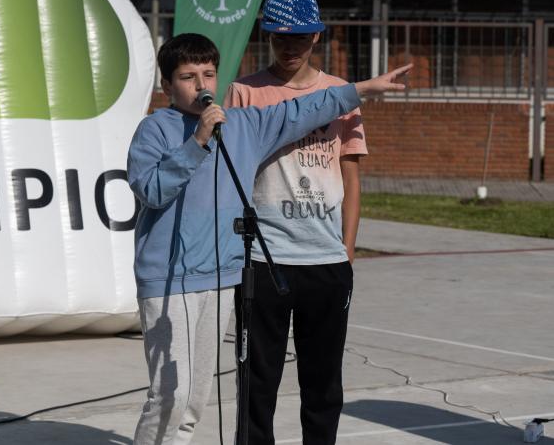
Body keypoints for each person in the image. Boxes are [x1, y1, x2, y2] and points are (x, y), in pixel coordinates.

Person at [126, 33, 410, 444]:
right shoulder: (154, 129)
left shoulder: (244, 126)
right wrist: (198, 142)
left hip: (222, 277)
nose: (201, 85)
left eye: (208, 74)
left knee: (195, 401)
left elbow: (302, 109)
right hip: (171, 281)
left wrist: (361, 90)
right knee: (172, 392)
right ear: (167, 86)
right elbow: (151, 189)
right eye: (188, 77)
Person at [223, 0, 367, 445]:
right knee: (257, 384)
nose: (290, 47)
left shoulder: (340, 95)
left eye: (300, 38)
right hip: (265, 260)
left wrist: (346, 251)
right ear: (266, 35)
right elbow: (231, 171)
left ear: (317, 37)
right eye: (280, 37)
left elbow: (352, 177)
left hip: (325, 262)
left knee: (323, 386)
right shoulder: (244, 93)